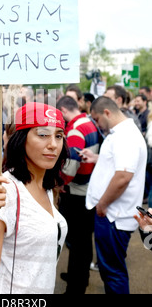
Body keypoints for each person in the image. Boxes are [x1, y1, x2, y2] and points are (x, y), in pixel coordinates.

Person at [0, 102, 68, 294]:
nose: (53, 144)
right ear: (21, 139)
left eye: (58, 136)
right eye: (42, 134)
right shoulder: (5, 189)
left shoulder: (47, 186)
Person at [84, 96, 147, 294]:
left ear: (107, 113)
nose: (96, 124)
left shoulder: (125, 135)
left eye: (96, 119)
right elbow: (119, 165)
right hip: (113, 214)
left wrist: (102, 204)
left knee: (113, 272)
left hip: (114, 215)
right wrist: (97, 158)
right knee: (111, 270)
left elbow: (123, 177)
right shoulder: (121, 133)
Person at [56, 95, 99, 294]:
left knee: (77, 242)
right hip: (88, 189)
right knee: (83, 241)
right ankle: (80, 277)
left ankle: (76, 285)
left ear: (64, 110)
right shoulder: (89, 122)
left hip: (76, 192)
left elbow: (71, 166)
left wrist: (59, 183)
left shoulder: (74, 130)